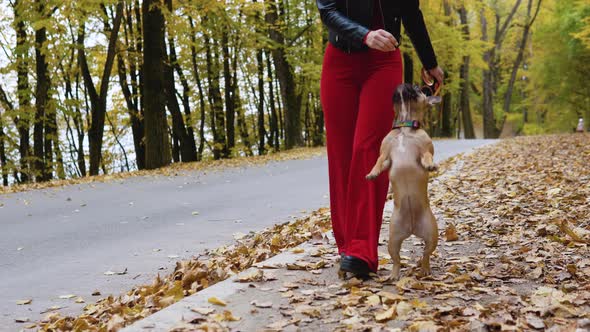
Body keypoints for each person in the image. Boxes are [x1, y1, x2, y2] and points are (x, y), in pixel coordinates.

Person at [316, 0, 444, 278]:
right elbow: (327, 10)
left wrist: (430, 61)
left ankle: (362, 250)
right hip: (339, 60)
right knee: (341, 156)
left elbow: (410, 12)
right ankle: (347, 246)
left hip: (383, 64)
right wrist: (365, 34)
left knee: (368, 148)